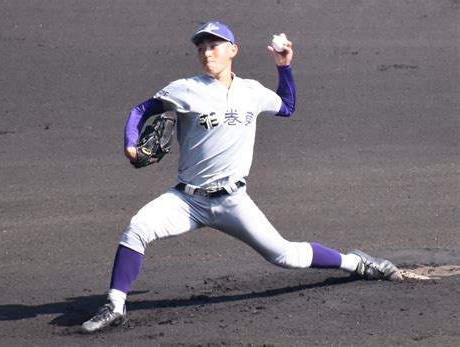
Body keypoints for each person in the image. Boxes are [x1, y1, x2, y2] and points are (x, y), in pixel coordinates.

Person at [81, 22, 402, 333]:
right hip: (186, 199)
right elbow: (141, 110)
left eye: (214, 46)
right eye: (202, 48)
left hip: (233, 202)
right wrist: (129, 144)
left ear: (232, 50)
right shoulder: (186, 89)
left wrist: (283, 66)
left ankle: (357, 263)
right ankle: (115, 305)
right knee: (138, 227)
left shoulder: (251, 92)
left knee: (285, 255)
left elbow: (287, 106)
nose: (207, 53)